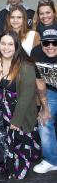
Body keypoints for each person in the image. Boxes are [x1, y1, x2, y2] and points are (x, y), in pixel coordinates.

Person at [0, 30, 40, 179]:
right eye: (3, 44)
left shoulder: (26, 66)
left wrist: (16, 121)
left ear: (16, 46)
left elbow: (26, 97)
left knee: (16, 163)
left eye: (10, 44)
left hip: (19, 112)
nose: (6, 48)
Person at [31, 28, 57, 173]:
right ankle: (51, 160)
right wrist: (44, 108)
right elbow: (39, 81)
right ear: (41, 44)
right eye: (47, 43)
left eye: (55, 43)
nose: (51, 46)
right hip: (51, 91)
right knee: (44, 121)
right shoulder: (36, 53)